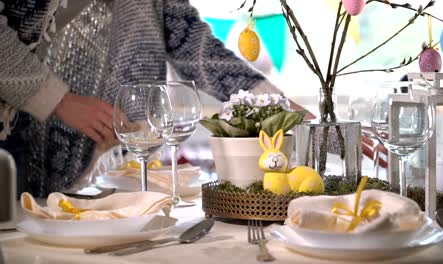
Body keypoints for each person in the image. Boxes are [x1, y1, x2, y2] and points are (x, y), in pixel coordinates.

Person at [0, 0, 311, 197]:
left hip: (102, 158)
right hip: (10, 138)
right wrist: (57, 99)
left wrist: (280, 110)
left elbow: (190, 42)